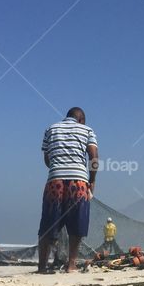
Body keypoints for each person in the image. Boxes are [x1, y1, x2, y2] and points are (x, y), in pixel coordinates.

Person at [37, 106, 98, 273]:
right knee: (77, 225)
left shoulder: (51, 129)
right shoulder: (87, 130)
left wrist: (57, 168)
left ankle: (42, 266)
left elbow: (47, 158)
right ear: (81, 120)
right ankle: (71, 265)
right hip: (78, 183)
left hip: (54, 182)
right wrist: (92, 180)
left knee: (48, 225)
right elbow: (93, 156)